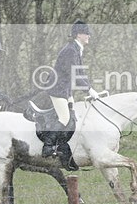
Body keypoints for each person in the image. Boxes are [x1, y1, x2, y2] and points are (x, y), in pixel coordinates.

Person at [39, 20, 101, 158]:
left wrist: (90, 88)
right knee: (65, 118)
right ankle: (47, 146)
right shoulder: (70, 50)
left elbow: (80, 74)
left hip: (65, 90)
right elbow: (74, 74)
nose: (89, 36)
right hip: (58, 89)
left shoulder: (75, 49)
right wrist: (89, 90)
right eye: (87, 34)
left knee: (72, 117)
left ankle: (61, 145)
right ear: (79, 35)